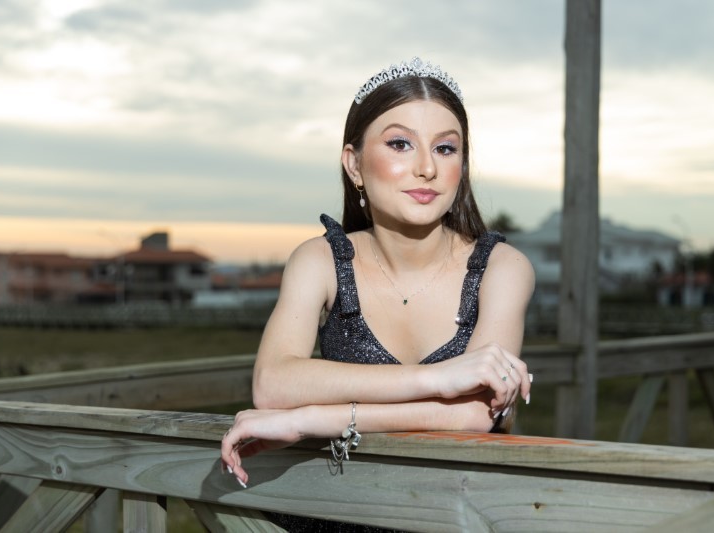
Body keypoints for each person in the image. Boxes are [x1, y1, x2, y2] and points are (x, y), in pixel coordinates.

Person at [220, 57, 535, 527]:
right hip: (333, 515)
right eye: (400, 143)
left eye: (446, 148)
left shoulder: (502, 268)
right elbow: (273, 383)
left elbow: (473, 414)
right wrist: (438, 379)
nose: (426, 167)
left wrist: (310, 419)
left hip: (455, 517)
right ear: (354, 164)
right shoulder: (320, 261)